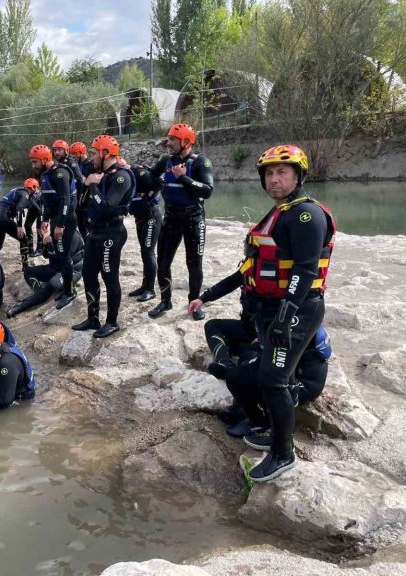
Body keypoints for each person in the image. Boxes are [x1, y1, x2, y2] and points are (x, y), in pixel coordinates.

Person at [189, 144, 335, 482]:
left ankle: (284, 455)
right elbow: (249, 269)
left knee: (274, 379)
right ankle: (266, 426)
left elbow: (305, 270)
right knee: (260, 375)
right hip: (272, 311)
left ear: (298, 175)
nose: (274, 179)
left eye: (282, 172)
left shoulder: (305, 214)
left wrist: (285, 317)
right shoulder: (278, 213)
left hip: (298, 309)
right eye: (269, 173)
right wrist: (207, 296)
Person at [148, 123, 214, 320]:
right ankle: (165, 300)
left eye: (172, 140)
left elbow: (207, 190)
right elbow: (152, 175)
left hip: (193, 218)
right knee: (163, 261)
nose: (168, 143)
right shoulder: (166, 160)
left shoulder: (201, 162)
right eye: (169, 139)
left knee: (194, 264)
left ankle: (194, 304)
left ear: (186, 142)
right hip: (171, 218)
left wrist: (183, 178)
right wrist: (159, 183)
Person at [71, 135, 134, 338]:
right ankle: (93, 318)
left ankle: (112, 322)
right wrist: (89, 183)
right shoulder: (99, 172)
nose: (91, 156)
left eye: (93, 152)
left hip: (112, 233)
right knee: (89, 274)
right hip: (95, 232)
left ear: (105, 153)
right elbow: (83, 202)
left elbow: (107, 206)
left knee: (109, 277)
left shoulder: (120, 177)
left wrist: (93, 186)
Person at [29, 144, 77, 310]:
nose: (33, 165)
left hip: (66, 219)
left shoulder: (60, 173)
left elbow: (66, 200)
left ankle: (70, 292)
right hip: (56, 218)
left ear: (44, 159)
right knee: (61, 255)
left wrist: (60, 225)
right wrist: (45, 219)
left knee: (64, 256)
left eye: (35, 161)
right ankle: (66, 288)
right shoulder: (44, 174)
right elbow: (47, 200)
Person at [6, 230, 84, 318]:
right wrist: (43, 243)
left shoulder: (73, 235)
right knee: (28, 271)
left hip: (70, 271)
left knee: (51, 285)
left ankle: (21, 307)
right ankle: (38, 292)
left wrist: (54, 241)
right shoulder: (54, 232)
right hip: (54, 268)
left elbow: (66, 260)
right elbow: (46, 255)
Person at [127, 164, 163, 303]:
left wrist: (148, 196)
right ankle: (144, 286)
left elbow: (159, 182)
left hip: (151, 217)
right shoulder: (123, 176)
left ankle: (150, 290)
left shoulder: (138, 173)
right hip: (140, 218)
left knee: (148, 252)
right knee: (144, 252)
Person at [0, 178, 42, 268]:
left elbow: (37, 210)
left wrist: (40, 223)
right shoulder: (24, 194)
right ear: (34, 187)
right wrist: (19, 226)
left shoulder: (20, 191)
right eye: (36, 188)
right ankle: (25, 267)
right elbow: (19, 209)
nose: (37, 191)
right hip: (6, 219)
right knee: (24, 240)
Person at [70, 141, 94, 238]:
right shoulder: (75, 166)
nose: (73, 158)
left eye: (74, 155)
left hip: (88, 203)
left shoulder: (91, 165)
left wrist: (84, 180)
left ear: (79, 153)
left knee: (90, 230)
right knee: (82, 230)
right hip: (78, 204)